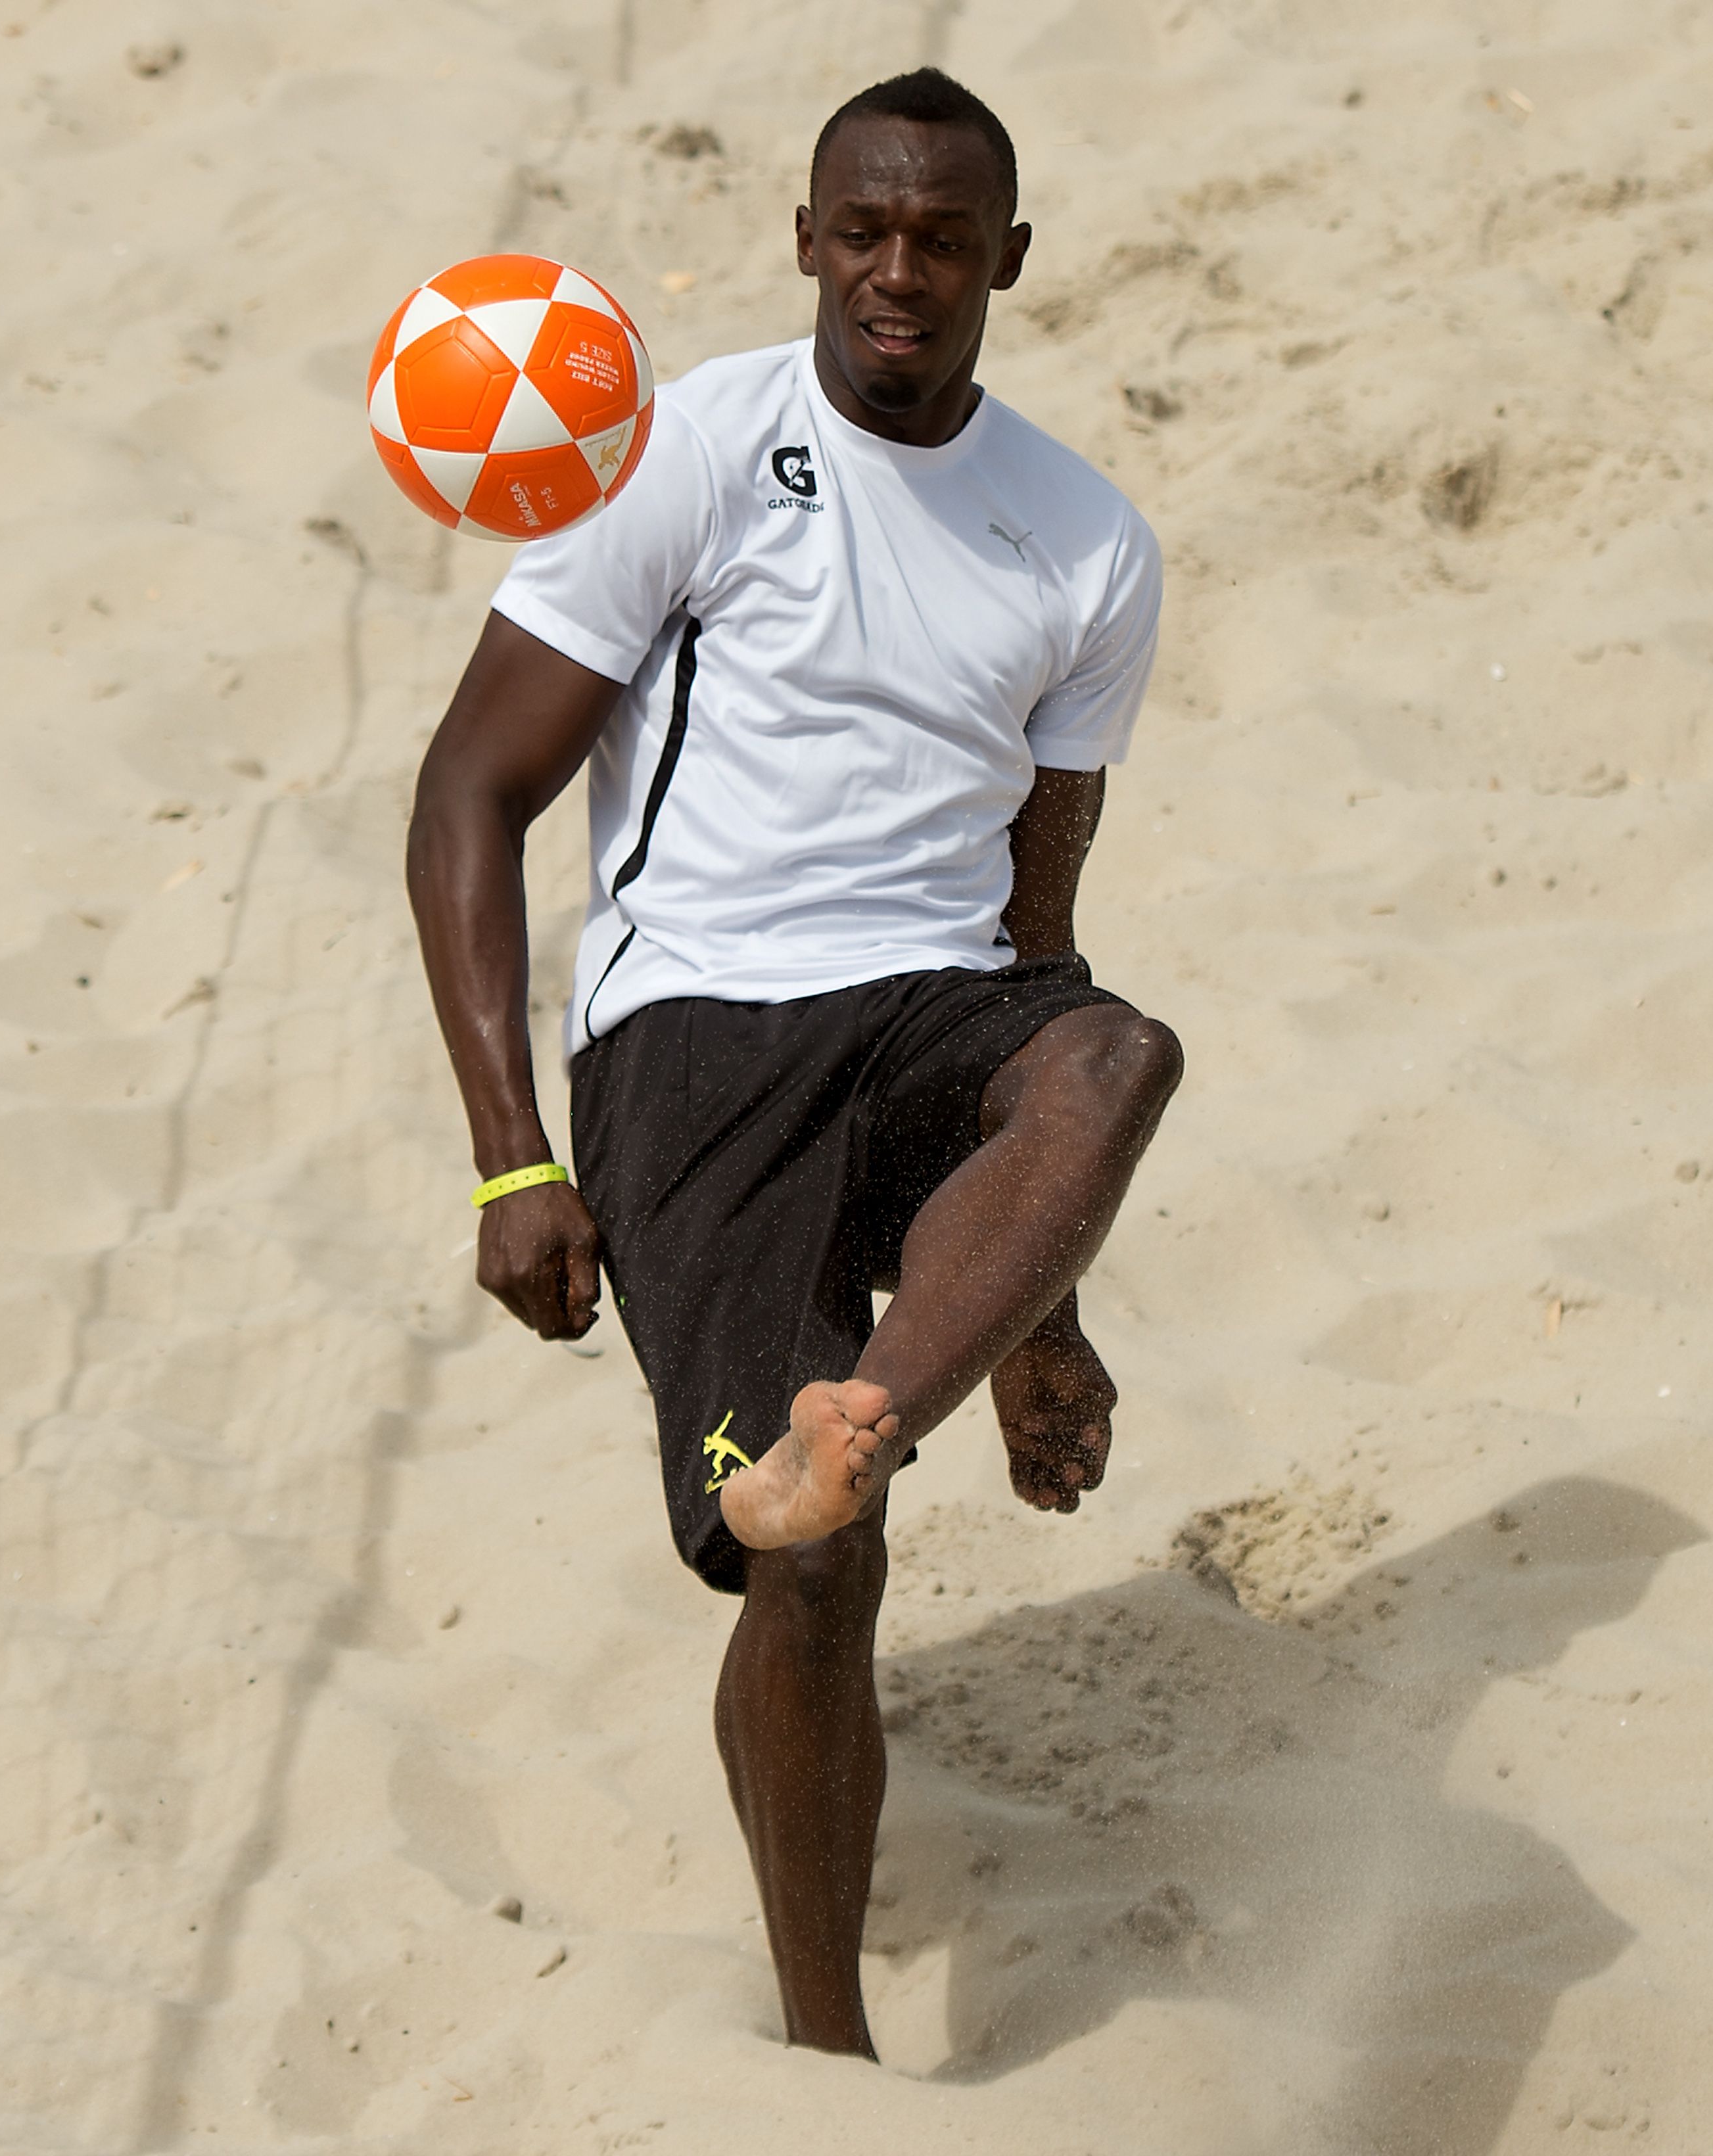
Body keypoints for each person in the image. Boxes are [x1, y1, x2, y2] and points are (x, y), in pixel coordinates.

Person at [403, 66, 1182, 2058]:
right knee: (818, 1587)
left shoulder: (1085, 541)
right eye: (864, 229)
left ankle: (859, 1425)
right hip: (696, 1040)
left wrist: (1042, 1320)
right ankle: (828, 2059)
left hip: (930, 1008)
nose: (897, 271)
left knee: (1111, 1053)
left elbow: (1035, 930)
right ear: (808, 237)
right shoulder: (678, 454)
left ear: (1010, 258)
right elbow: (468, 797)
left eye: (942, 237)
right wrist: (511, 1157)